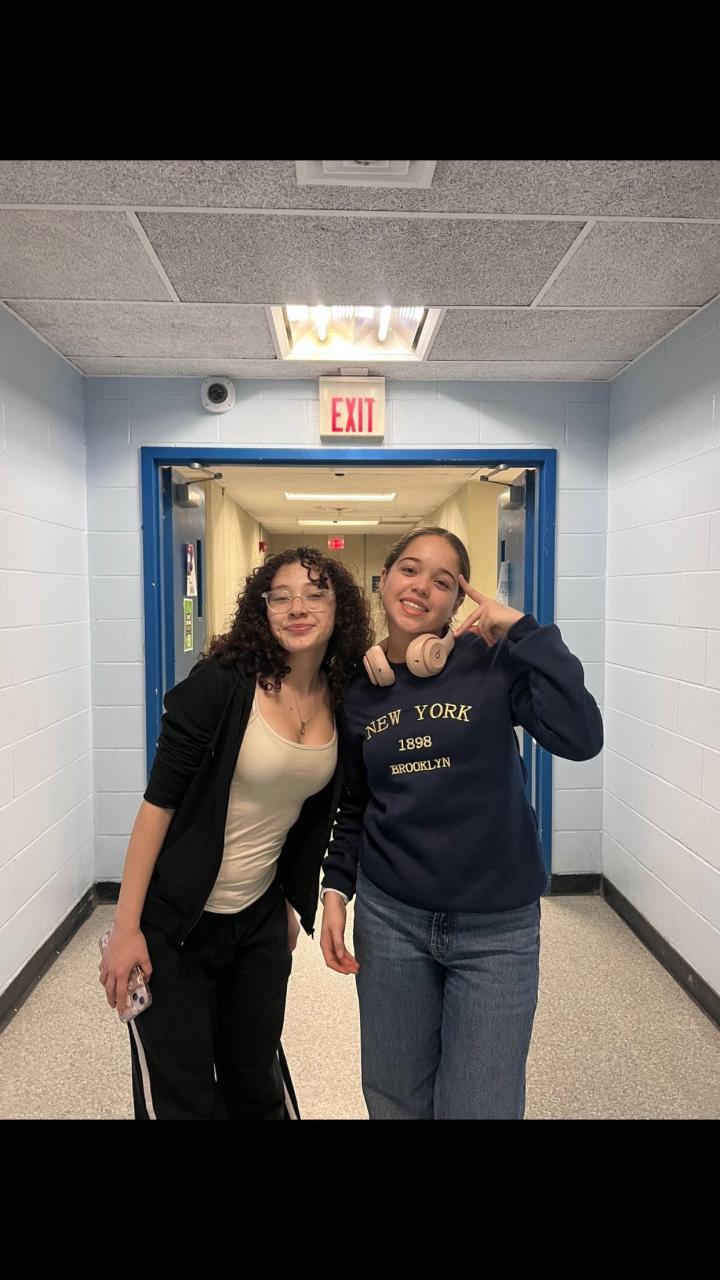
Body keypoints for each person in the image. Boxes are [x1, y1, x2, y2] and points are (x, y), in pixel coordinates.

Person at [320, 527, 603, 1120]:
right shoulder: (359, 691)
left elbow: (580, 737)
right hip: (391, 919)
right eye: (410, 569)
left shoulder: (491, 662)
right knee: (395, 1098)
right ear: (384, 580)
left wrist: (525, 632)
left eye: (443, 581)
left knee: (483, 1106)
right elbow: (354, 801)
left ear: (457, 601)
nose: (421, 586)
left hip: (496, 929)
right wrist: (336, 888)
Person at [99, 546, 373, 1120]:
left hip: (257, 922)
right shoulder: (223, 684)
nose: (297, 608)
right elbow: (157, 807)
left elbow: (307, 812)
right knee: (185, 1097)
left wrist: (289, 901)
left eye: (315, 594)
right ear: (262, 608)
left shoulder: (339, 693)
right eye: (281, 596)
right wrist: (126, 930)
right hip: (176, 923)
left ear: (340, 609)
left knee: (255, 1084)